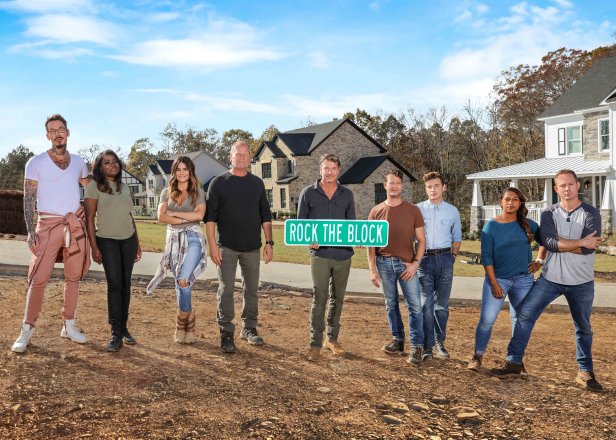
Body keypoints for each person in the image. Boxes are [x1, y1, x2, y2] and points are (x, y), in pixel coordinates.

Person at [491, 170, 604, 392]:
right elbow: (549, 244)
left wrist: (564, 243)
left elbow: (587, 250)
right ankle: (514, 362)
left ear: (577, 185)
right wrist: (577, 241)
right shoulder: (549, 213)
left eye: (570, 184)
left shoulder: (591, 213)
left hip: (581, 282)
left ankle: (585, 371)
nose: (567, 189)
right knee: (524, 314)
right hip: (550, 278)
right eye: (562, 186)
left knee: (583, 327)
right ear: (556, 189)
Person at [12, 114, 91, 353]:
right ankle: (27, 329)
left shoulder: (79, 162)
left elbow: (93, 189)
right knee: (38, 279)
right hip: (47, 225)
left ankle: (69, 325)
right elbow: (29, 198)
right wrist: (29, 230)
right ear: (47, 135)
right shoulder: (35, 162)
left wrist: (86, 209)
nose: (57, 133)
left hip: (74, 225)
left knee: (73, 277)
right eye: (52, 130)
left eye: (61, 129)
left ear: (68, 132)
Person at [205, 141, 273, 354]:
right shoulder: (218, 183)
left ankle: (249, 328)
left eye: (245, 154)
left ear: (250, 157)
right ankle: (226, 332)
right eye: (238, 154)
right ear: (231, 156)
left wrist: (269, 242)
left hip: (252, 247)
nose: (242, 157)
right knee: (225, 290)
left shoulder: (257, 184)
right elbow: (210, 218)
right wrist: (212, 246)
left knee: (251, 289)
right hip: (226, 247)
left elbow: (265, 215)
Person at [467, 187, 543, 371]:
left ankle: (515, 360)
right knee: (487, 320)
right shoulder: (490, 227)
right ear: (500, 202)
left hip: (524, 280)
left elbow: (545, 243)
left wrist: (539, 260)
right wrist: (493, 283)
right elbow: (487, 258)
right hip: (498, 279)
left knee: (521, 320)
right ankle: (477, 356)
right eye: (507, 199)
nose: (510, 203)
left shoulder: (529, 225)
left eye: (515, 200)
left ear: (520, 203)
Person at [297, 153, 356, 361]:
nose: (329, 172)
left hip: (343, 255)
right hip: (320, 255)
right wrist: (308, 239)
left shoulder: (347, 195)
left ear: (338, 170)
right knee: (319, 297)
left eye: (333, 168)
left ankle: (332, 339)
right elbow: (300, 225)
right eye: (326, 168)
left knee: (338, 298)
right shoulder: (308, 193)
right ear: (320, 169)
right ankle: (315, 343)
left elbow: (352, 227)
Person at [84, 150, 142, 352]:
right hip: (107, 241)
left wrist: (137, 241)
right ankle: (115, 332)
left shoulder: (125, 187)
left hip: (129, 241)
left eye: (115, 161)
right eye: (107, 162)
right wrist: (94, 247)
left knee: (126, 285)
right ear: (100, 167)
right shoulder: (93, 187)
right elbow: (89, 219)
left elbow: (129, 216)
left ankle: (124, 328)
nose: (112, 165)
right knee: (115, 285)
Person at [368, 169, 427, 364]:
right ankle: (398, 340)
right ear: (385, 185)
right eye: (390, 183)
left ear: (402, 186)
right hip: (383, 263)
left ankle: (417, 347)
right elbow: (370, 244)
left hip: (406, 265)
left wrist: (414, 265)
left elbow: (421, 240)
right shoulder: (375, 211)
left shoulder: (413, 210)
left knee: (415, 307)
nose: (394, 186)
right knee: (390, 304)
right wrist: (372, 269)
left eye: (398, 183)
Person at [147, 156, 207, 344]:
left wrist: (174, 214)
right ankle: (189, 318)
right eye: (178, 169)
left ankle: (181, 322)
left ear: (191, 171)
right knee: (179, 281)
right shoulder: (166, 192)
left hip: (193, 238)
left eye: (185, 169)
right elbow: (161, 217)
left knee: (183, 278)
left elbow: (200, 215)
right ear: (174, 172)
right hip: (173, 240)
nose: (181, 173)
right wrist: (183, 219)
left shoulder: (198, 191)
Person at [417, 171, 462, 360]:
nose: (433, 190)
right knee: (426, 305)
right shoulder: (417, 209)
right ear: (425, 189)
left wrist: (452, 256)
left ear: (443, 187)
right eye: (429, 187)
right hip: (424, 260)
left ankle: (439, 342)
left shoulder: (452, 211)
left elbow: (457, 237)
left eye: (436, 186)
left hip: (445, 259)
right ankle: (427, 345)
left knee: (441, 306)